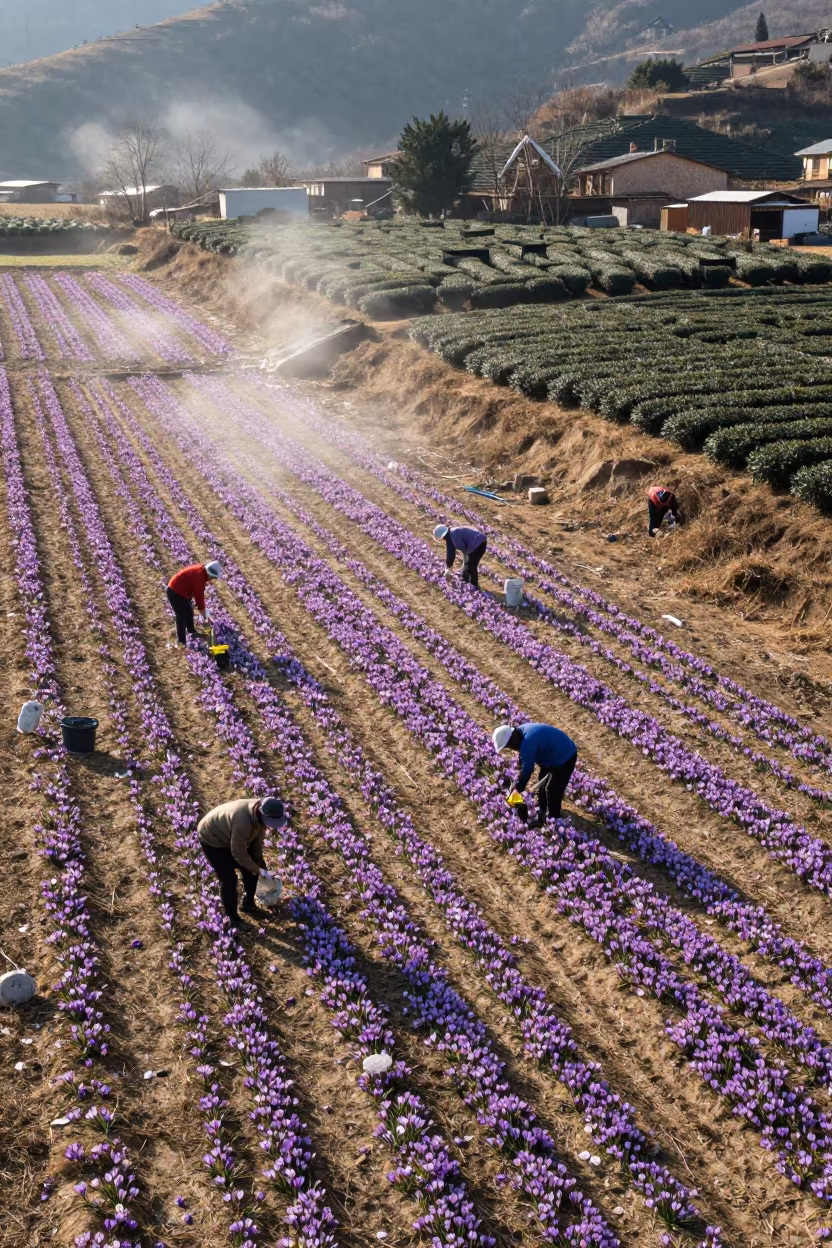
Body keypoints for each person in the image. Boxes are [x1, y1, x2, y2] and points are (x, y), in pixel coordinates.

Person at [198, 796, 287, 925]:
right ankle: (231, 917)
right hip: (212, 837)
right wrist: (256, 869)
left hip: (230, 835)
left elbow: (256, 844)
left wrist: (259, 867)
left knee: (253, 868)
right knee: (228, 878)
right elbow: (238, 853)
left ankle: (248, 905)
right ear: (261, 813)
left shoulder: (260, 815)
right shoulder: (243, 822)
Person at [493, 722, 578, 826]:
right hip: (551, 753)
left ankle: (554, 819)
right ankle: (542, 812)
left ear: (513, 738)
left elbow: (528, 770)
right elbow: (524, 763)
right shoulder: (521, 732)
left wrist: (517, 789)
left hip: (565, 756)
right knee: (542, 785)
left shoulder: (527, 742)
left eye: (509, 745)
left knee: (552, 789)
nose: (511, 748)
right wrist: (516, 785)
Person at [167, 560, 222, 644]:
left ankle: (191, 631)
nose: (211, 580)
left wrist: (204, 611)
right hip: (175, 591)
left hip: (182, 590)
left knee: (189, 610)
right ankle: (181, 641)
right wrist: (205, 615)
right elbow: (199, 598)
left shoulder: (202, 570)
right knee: (181, 616)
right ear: (209, 574)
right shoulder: (199, 578)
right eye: (212, 578)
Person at [433, 524, 488, 589]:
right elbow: (465, 550)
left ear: (442, 535)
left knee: (471, 566)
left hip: (477, 543)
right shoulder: (453, 532)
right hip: (480, 542)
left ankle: (474, 586)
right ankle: (465, 580)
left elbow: (451, 554)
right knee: (468, 564)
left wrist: (448, 566)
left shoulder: (450, 537)